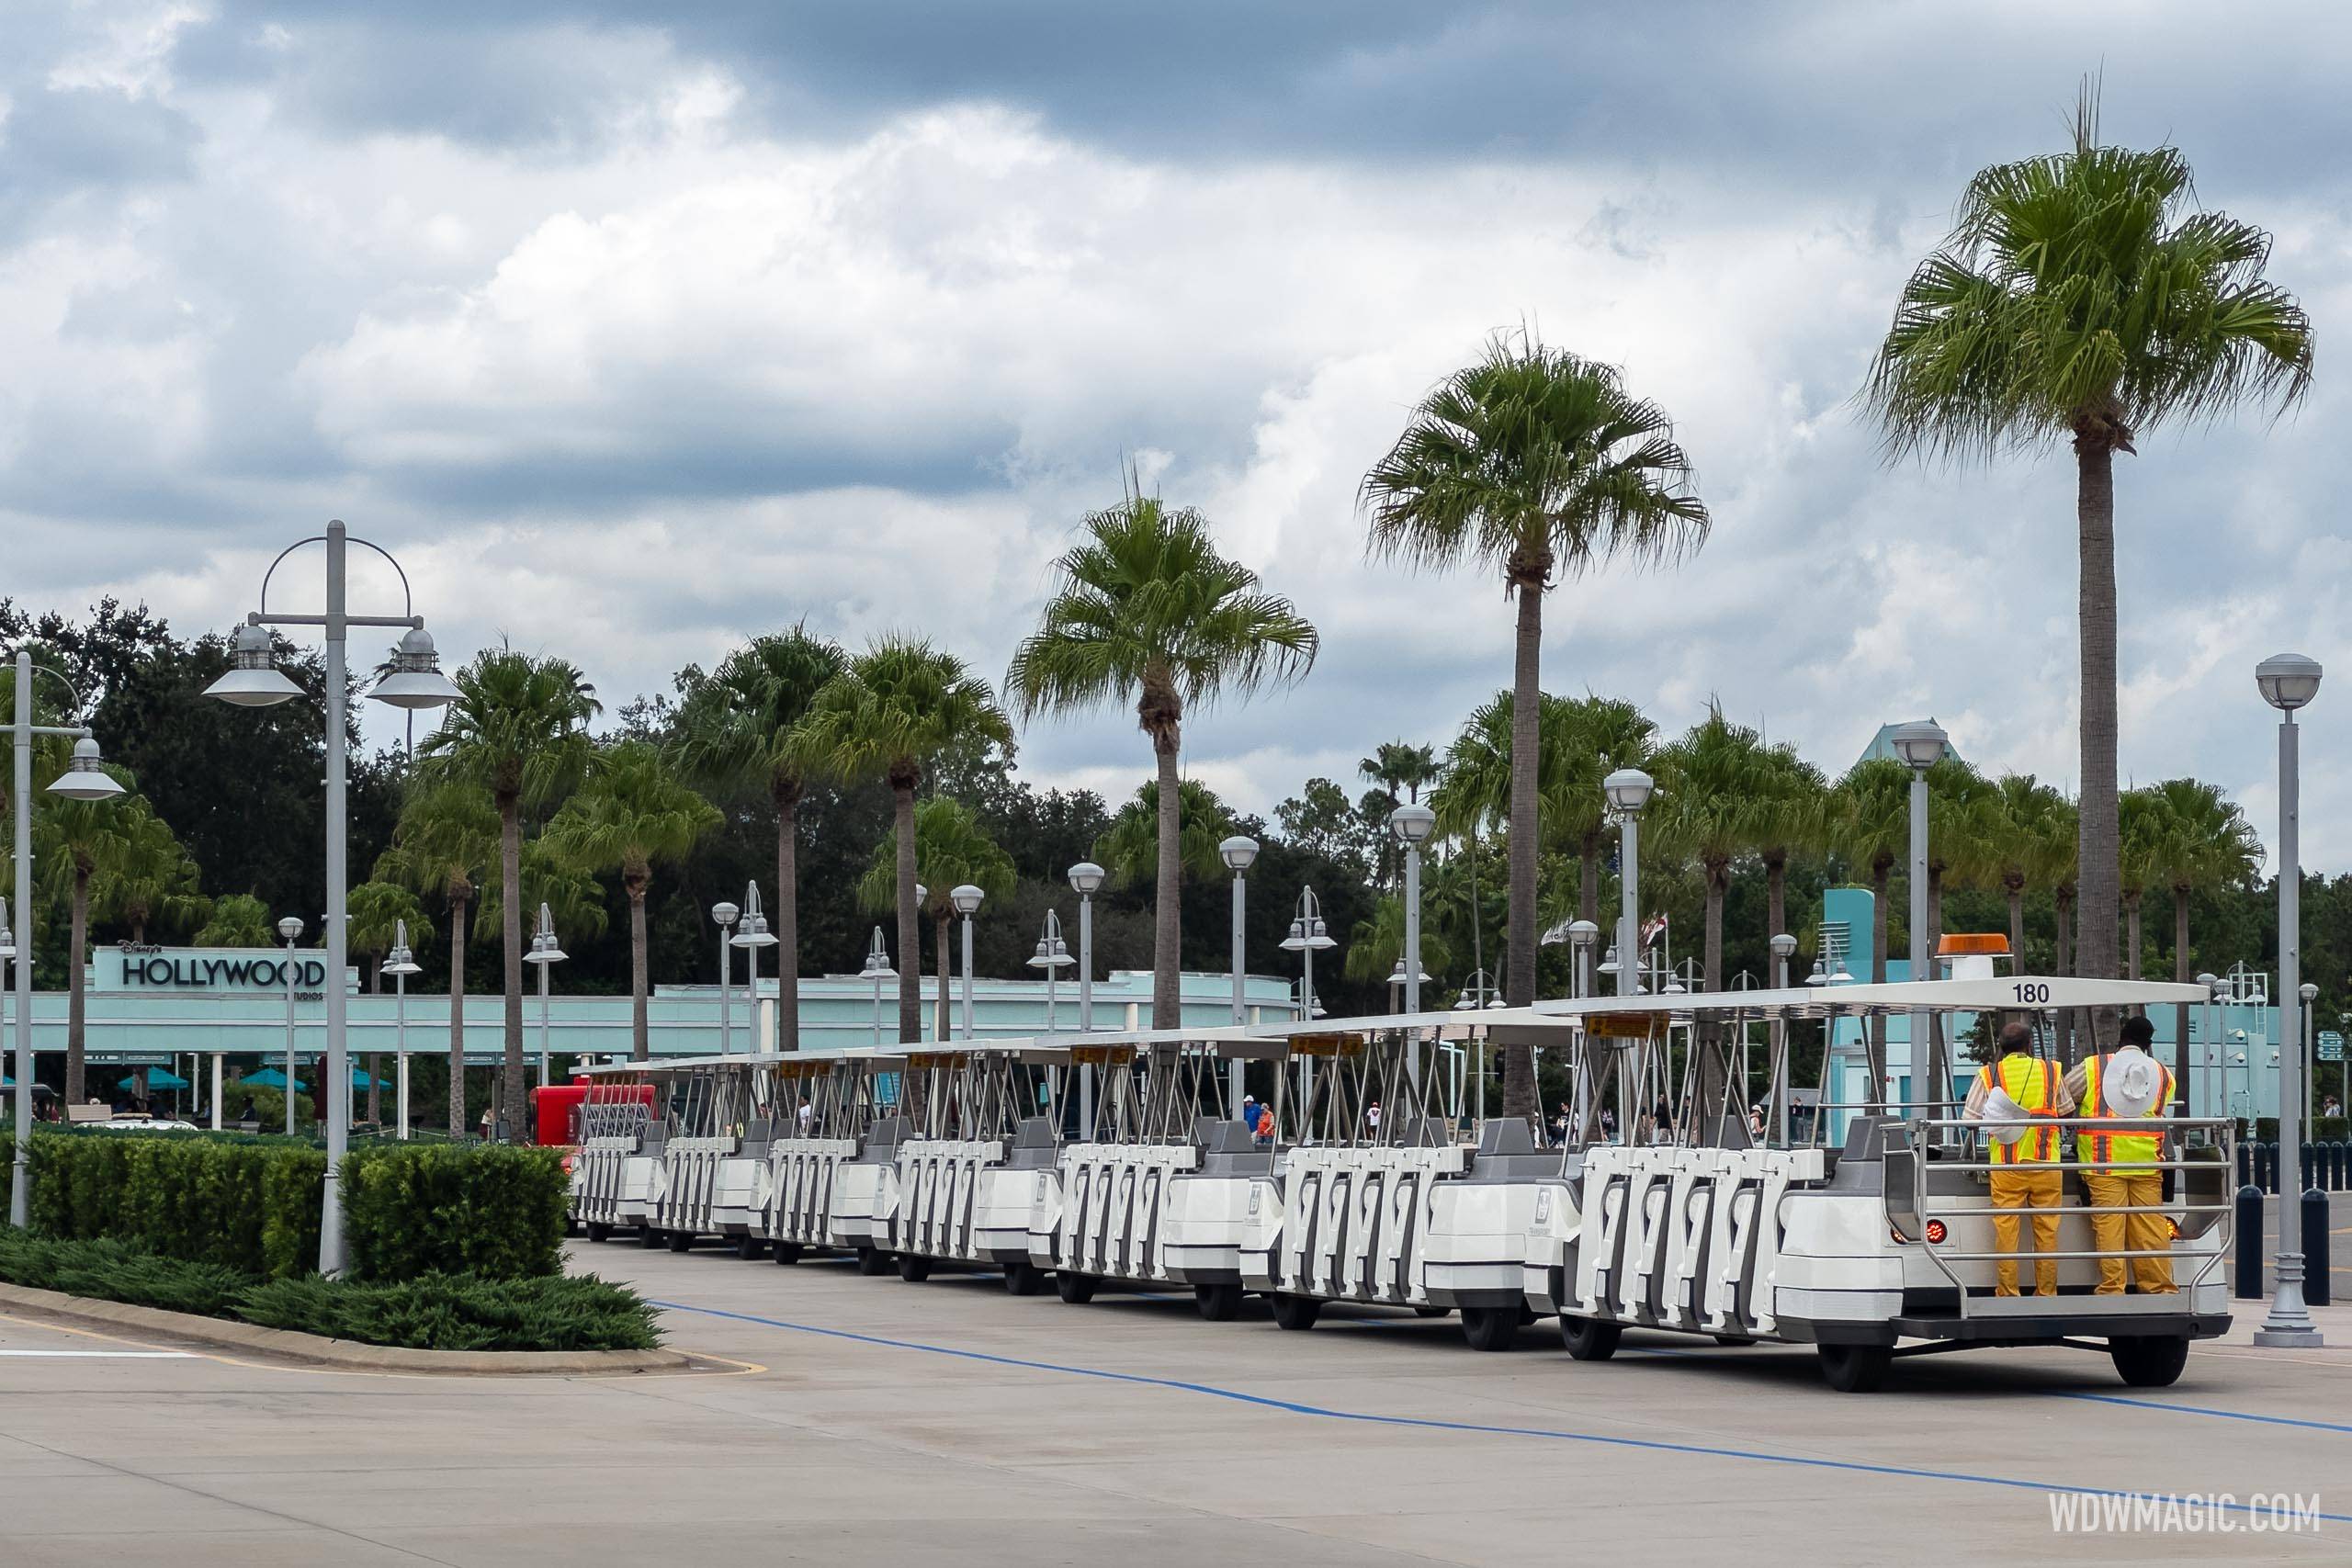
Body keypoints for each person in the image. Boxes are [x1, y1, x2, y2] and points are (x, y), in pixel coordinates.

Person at [2064, 1015, 2175, 1295]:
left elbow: (2063, 1096)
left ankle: (2113, 1289)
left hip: (2104, 1167)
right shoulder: (2163, 1074)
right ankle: (2160, 1289)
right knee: (2151, 1231)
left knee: (2109, 1231)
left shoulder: (2095, 1066)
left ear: (2121, 1038)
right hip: (2148, 1166)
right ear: (2148, 1044)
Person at [1963, 1020, 2075, 1297]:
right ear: (2030, 1045)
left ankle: (2008, 1292)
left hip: (2006, 1164)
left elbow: (1970, 1120)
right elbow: (2067, 1113)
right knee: (2047, 1232)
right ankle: (2047, 1293)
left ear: (2001, 1048)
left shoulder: (1989, 1074)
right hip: (2045, 1161)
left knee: (2006, 1232)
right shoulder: (2051, 1071)